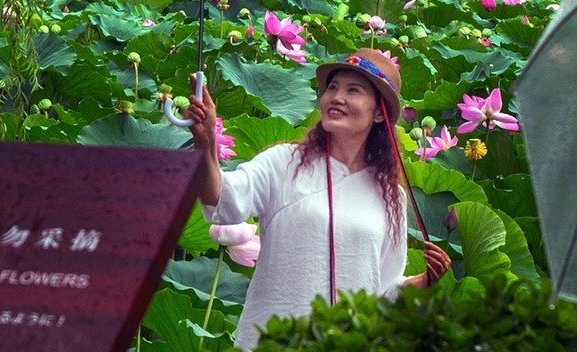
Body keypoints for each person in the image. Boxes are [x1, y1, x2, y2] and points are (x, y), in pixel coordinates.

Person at [184, 47, 451, 350]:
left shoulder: (392, 197)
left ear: (379, 113)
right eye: (333, 88)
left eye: (353, 90)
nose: (337, 97)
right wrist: (205, 144)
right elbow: (223, 202)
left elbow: (384, 290)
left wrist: (420, 284)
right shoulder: (283, 163)